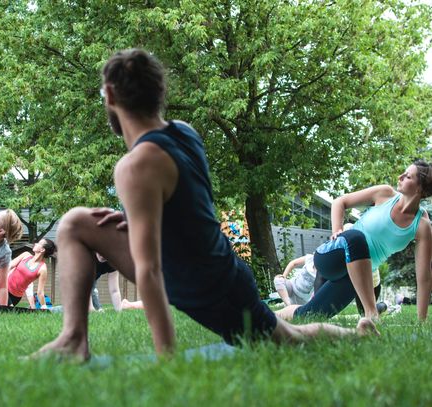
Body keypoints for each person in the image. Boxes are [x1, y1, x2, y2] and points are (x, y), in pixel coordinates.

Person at [32, 48, 376, 361]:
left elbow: (149, 271)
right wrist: (130, 218)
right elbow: (183, 207)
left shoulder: (135, 166)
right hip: (202, 267)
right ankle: (74, 339)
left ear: (109, 95)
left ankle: (357, 336)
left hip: (211, 286)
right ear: (159, 93)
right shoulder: (183, 131)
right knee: (76, 223)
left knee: (288, 339)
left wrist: (168, 359)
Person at [277, 161, 432, 321]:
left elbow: (424, 277)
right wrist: (337, 230)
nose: (400, 177)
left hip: (356, 278)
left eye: (407, 176)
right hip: (332, 256)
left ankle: (270, 316)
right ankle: (371, 313)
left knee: (310, 316)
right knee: (356, 237)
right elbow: (340, 202)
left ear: (419, 188)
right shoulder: (385, 193)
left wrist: (422, 321)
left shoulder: (421, 225)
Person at [0, 238, 56, 308]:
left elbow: (40, 291)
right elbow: (9, 266)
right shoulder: (26, 255)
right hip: (2, 286)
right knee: (7, 310)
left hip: (15, 297)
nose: (35, 244)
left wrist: (43, 305)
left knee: (3, 311)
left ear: (42, 250)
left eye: (39, 243)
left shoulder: (42, 269)